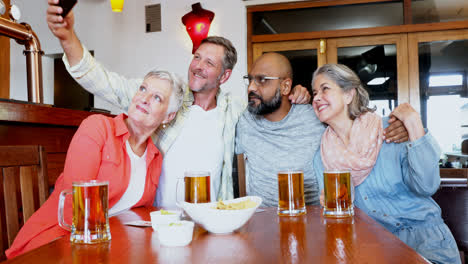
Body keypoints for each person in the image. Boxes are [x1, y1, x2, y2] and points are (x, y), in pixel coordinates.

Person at [45, 0, 311, 207]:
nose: (197, 66)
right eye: (197, 57)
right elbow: (103, 81)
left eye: (209, 63)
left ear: (225, 75)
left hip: (211, 222)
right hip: (158, 219)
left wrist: (296, 94)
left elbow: (271, 109)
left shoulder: (236, 110)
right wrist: (68, 38)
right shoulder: (165, 99)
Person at [6, 70, 186, 259]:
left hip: (106, 248)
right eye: (143, 89)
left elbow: (138, 215)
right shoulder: (98, 127)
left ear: (168, 116)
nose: (144, 98)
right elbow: (72, 209)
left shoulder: (155, 157)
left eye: (157, 97)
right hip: (54, 244)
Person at [311, 64, 460, 264]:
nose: (317, 97)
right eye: (314, 92)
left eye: (325, 89)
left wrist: (414, 124)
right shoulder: (321, 156)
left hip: (425, 244)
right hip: (371, 249)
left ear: (348, 95)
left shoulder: (391, 130)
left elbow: (427, 186)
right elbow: (339, 219)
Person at [236, 53, 409, 207]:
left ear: (285, 87)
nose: (251, 87)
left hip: (314, 222)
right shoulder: (244, 121)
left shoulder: (316, 117)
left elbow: (357, 126)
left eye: (262, 79)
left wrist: (399, 127)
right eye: (249, 79)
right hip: (263, 223)